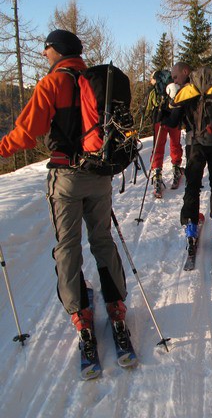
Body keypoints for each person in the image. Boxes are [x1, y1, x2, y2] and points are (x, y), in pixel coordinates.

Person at [0, 30, 129, 355]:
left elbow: (27, 134)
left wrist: (2, 148)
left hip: (66, 178)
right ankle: (116, 308)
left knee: (68, 246)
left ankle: (82, 318)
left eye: (46, 50)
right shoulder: (95, 79)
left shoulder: (51, 84)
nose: (44, 55)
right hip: (99, 175)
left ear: (56, 50)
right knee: (102, 239)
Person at [164, 65, 212, 243]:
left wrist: (164, 114)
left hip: (195, 144)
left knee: (193, 184)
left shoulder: (187, 91)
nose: (175, 81)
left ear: (186, 73)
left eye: (175, 77)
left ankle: (191, 224)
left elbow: (173, 122)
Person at [145, 69, 183, 196]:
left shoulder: (154, 89)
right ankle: (176, 169)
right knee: (175, 144)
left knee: (158, 147)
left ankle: (157, 174)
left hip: (159, 119)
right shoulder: (175, 85)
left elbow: (146, 107)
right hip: (174, 117)